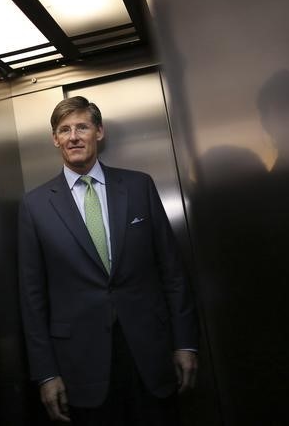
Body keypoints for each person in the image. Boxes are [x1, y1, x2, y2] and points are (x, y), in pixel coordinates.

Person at [18, 96, 199, 425]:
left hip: (150, 352)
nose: (74, 136)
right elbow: (32, 299)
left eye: (82, 127)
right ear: (54, 139)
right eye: (64, 129)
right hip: (80, 363)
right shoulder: (35, 205)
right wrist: (46, 373)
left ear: (98, 132)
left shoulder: (138, 186)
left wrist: (185, 342)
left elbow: (172, 271)